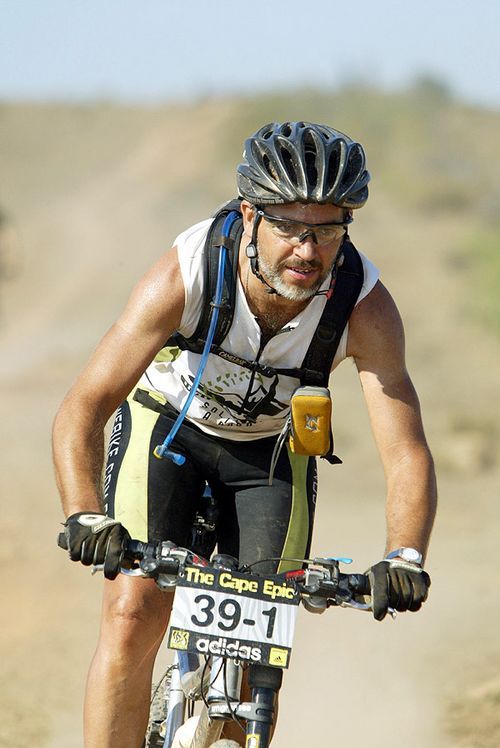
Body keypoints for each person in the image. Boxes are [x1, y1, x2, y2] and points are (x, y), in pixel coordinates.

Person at [53, 121, 437, 747]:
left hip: (270, 453)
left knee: (261, 653)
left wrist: (406, 554)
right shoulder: (187, 272)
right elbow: (83, 407)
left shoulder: (364, 307)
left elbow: (405, 450)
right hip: (167, 427)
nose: (308, 252)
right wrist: (83, 514)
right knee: (132, 612)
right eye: (289, 226)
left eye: (328, 229)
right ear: (249, 214)